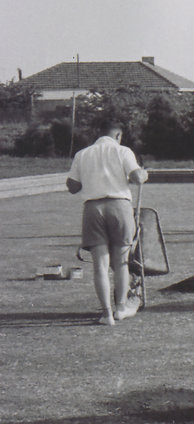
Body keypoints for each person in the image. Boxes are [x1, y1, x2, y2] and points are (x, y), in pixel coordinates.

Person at [66, 120, 149, 326]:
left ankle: (106, 314)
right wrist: (144, 173)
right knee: (121, 262)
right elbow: (137, 177)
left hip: (93, 208)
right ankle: (121, 307)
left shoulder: (82, 154)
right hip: (119, 206)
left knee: (100, 266)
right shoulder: (123, 151)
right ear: (118, 135)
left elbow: (72, 186)